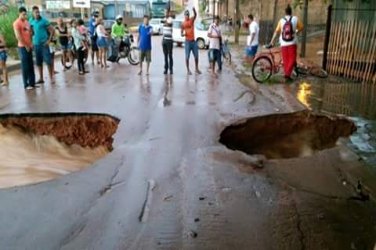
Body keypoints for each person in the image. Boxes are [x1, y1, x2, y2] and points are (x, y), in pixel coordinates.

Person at [270, 4, 303, 82]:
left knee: (285, 60)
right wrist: (296, 32)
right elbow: (302, 27)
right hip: (292, 42)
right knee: (292, 59)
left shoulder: (281, 20)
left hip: (283, 43)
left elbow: (276, 32)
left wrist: (272, 41)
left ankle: (287, 74)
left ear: (285, 13)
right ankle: (287, 74)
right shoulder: (295, 19)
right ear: (291, 12)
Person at [29, 6, 55, 84]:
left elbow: (52, 30)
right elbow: (31, 32)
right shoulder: (31, 21)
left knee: (48, 61)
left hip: (44, 45)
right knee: (38, 62)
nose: (37, 13)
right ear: (32, 13)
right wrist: (31, 41)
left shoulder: (44, 21)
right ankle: (41, 78)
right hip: (36, 45)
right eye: (35, 12)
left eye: (38, 12)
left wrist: (49, 40)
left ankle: (51, 78)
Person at [13, 6, 36, 90]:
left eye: (25, 14)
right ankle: (26, 84)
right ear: (19, 14)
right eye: (23, 14)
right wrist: (26, 45)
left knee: (31, 64)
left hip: (29, 45)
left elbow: (30, 33)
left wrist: (31, 43)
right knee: (25, 65)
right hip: (23, 47)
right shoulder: (16, 23)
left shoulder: (27, 22)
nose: (25, 16)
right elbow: (18, 36)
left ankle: (32, 83)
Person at [181, 8, 201, 75]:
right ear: (184, 16)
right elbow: (181, 33)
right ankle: (188, 70)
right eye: (185, 15)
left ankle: (196, 69)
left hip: (193, 41)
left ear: (189, 15)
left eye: (187, 15)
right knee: (187, 57)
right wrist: (183, 34)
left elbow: (195, 15)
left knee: (196, 56)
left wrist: (194, 10)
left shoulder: (191, 20)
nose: (187, 16)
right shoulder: (183, 23)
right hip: (187, 42)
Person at [162, 9, 173, 74]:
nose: (165, 13)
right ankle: (166, 69)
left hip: (169, 40)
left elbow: (169, 24)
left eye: (166, 12)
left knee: (170, 55)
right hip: (164, 39)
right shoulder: (164, 19)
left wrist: (165, 22)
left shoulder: (170, 19)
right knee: (165, 56)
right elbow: (164, 23)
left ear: (168, 13)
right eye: (164, 12)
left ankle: (171, 69)